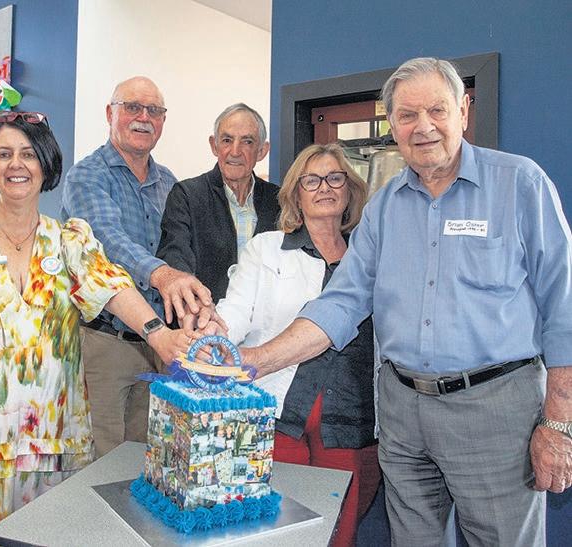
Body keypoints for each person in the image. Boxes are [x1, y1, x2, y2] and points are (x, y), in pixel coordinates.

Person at [238, 57, 572, 545]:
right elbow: (341, 303)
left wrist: (559, 422)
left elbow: (564, 309)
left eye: (437, 110)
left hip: (495, 410)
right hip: (402, 413)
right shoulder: (383, 207)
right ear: (392, 125)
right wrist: (254, 361)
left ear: (463, 110)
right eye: (408, 115)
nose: (423, 127)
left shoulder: (520, 184)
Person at [0, 111, 190, 545]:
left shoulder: (69, 242)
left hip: (51, 450)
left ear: (45, 164)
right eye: (4, 154)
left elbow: (111, 286)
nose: (16, 164)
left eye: (28, 154)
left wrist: (159, 333)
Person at [215, 143, 380, 547]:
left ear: (350, 190)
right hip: (278, 414)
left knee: (340, 533)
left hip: (351, 420)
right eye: (312, 180)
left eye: (335, 178)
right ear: (295, 193)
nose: (324, 187)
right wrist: (214, 339)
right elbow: (235, 310)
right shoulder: (266, 248)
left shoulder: (371, 257)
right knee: (277, 532)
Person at [61, 77, 211, 457]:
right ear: (109, 113)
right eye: (132, 107)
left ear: (163, 121)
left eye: (154, 110)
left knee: (149, 457)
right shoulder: (87, 176)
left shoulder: (170, 184)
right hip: (104, 343)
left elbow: (181, 250)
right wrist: (163, 275)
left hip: (161, 346)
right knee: (98, 463)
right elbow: (106, 241)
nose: (144, 117)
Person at [157, 103, 280, 304]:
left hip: (266, 321)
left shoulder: (279, 201)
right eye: (227, 140)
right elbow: (175, 255)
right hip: (205, 316)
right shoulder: (187, 195)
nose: (235, 151)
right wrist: (196, 304)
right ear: (214, 145)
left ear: (262, 151)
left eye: (247, 141)